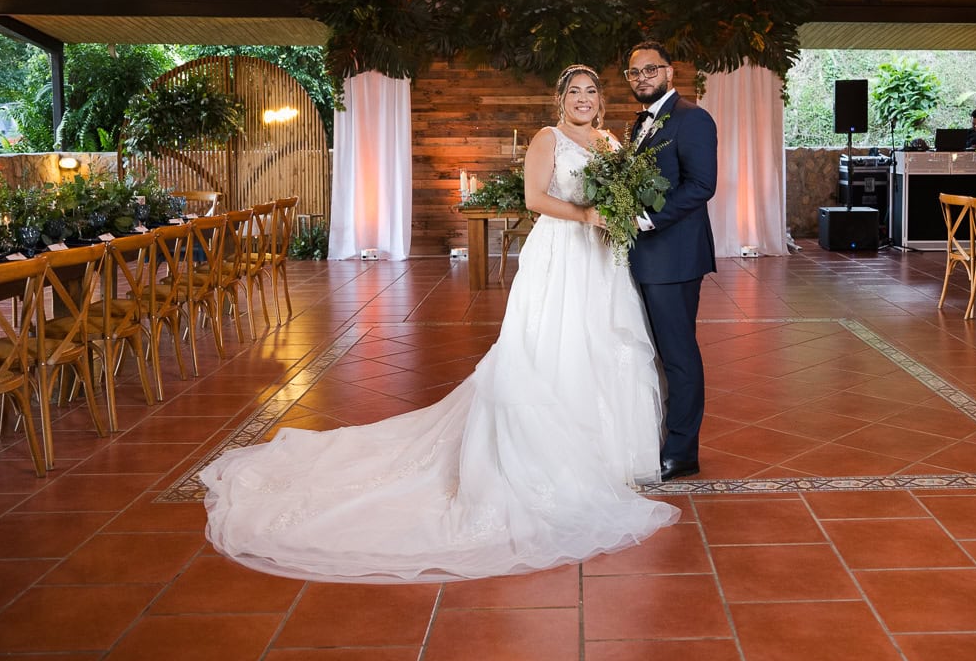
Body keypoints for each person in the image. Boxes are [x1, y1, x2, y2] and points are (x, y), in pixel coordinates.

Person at [200, 66, 677, 583]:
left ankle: (603, 456)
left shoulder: (609, 140)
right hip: (562, 255)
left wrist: (617, 212)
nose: (583, 100)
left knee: (601, 346)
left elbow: (621, 195)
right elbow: (536, 199)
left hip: (601, 260)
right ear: (560, 99)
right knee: (552, 347)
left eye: (591, 92)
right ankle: (550, 459)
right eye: (574, 93)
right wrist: (587, 217)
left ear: (599, 99)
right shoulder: (548, 139)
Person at [624, 43, 717, 481]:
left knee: (678, 355)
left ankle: (682, 451)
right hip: (643, 258)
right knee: (653, 353)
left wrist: (645, 219)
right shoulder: (638, 125)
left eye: (650, 69)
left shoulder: (691, 118)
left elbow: (701, 185)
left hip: (674, 258)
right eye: (634, 72)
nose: (642, 77)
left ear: (669, 71)